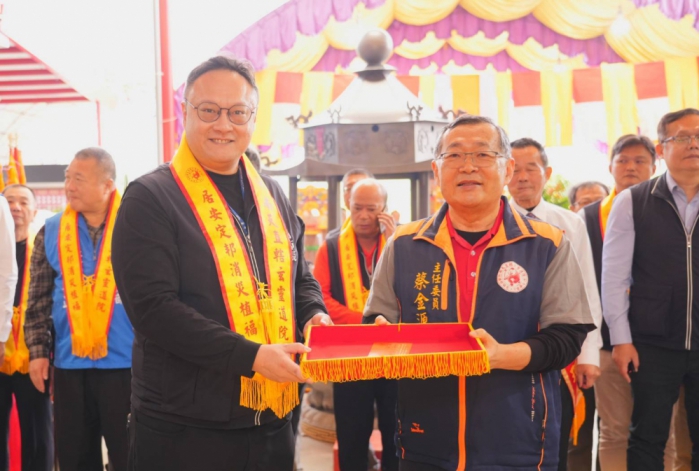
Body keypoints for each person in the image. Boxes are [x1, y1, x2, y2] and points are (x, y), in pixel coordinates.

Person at [112, 55, 331, 471]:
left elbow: (299, 278)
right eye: (209, 110)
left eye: (237, 112)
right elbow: (153, 310)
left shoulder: (271, 194)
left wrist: (314, 316)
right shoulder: (150, 198)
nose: (223, 125)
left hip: (272, 418)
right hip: (185, 425)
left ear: (253, 117)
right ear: (185, 112)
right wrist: (251, 356)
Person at [364, 114, 595, 470]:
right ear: (436, 170)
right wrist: (381, 337)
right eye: (454, 155)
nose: (468, 166)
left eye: (483, 154)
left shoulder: (547, 244)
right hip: (424, 440)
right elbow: (375, 321)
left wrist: (501, 355)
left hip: (520, 442)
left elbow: (566, 337)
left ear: (507, 169)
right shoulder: (404, 244)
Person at [24, 148, 132, 471]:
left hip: (127, 365)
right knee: (74, 457)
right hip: (69, 365)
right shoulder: (52, 230)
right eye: (67, 178)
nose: (69, 186)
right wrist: (37, 352)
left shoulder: (135, 226)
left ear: (107, 185)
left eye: (79, 179)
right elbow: (38, 297)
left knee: (130, 455)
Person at [603, 109, 699, 471]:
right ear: (662, 148)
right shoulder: (633, 200)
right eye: (683, 137)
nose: (693, 144)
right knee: (647, 437)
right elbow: (615, 277)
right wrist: (621, 339)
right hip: (652, 342)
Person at [508, 138, 603, 471]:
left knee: (555, 442)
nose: (522, 177)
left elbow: (586, 290)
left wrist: (588, 356)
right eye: (514, 169)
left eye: (531, 168)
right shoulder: (492, 220)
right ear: (503, 173)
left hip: (560, 350)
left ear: (547, 173)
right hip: (507, 347)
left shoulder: (570, 223)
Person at [313, 178, 397, 471]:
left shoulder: (400, 243)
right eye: (357, 208)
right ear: (347, 205)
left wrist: (396, 240)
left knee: (395, 429)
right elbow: (321, 297)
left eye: (371, 209)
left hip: (392, 353)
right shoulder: (331, 247)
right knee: (352, 432)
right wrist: (365, 321)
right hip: (349, 355)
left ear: (384, 209)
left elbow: (413, 290)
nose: (363, 216)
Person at [0, 184, 53, 470]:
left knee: (37, 433)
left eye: (23, 202)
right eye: (9, 201)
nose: (15, 207)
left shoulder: (44, 249)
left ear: (33, 212)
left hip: (33, 355)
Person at [326, 169, 375, 240]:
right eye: (350, 188)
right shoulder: (333, 241)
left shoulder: (390, 233)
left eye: (362, 188)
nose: (356, 193)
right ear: (343, 195)